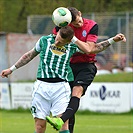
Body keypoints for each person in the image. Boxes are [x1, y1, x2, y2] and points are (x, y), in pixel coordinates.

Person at [46, 7, 127, 132]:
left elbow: (90, 49)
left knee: (76, 92)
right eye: (75, 23)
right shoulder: (62, 28)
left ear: (80, 13)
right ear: (68, 23)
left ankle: (60, 120)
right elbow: (55, 46)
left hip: (87, 66)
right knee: (67, 101)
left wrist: (72, 38)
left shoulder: (91, 26)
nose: (79, 24)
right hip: (68, 66)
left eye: (79, 20)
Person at [0, 26, 91, 133]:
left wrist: (112, 40)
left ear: (68, 41)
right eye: (57, 38)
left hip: (61, 88)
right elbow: (29, 55)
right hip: (41, 87)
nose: (57, 42)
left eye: (61, 42)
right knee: (40, 126)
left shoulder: (72, 46)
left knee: (63, 125)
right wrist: (11, 69)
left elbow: (93, 48)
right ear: (57, 33)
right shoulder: (44, 40)